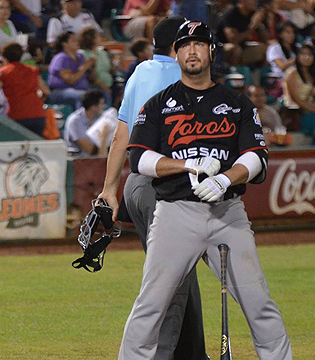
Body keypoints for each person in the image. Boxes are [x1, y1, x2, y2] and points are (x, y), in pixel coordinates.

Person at [119, 21, 293, 360]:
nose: (192, 51)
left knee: (259, 305)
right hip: (174, 213)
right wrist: (189, 166)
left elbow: (256, 156)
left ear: (211, 51)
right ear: (177, 53)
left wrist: (226, 179)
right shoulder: (158, 105)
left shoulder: (237, 104)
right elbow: (139, 158)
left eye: (199, 44)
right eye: (185, 45)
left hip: (227, 215)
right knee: (150, 306)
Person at [98, 17, 209, 360]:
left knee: (180, 273)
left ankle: (193, 353)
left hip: (135, 185)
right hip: (169, 189)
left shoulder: (140, 73)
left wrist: (109, 190)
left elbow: (120, 137)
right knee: (171, 282)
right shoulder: (190, 78)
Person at [0, 43, 50, 135]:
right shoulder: (33, 70)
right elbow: (46, 91)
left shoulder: (3, 72)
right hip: (38, 114)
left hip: (17, 115)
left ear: (4, 58)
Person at [47, 31, 95, 110]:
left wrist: (91, 67)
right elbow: (70, 80)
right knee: (84, 97)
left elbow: (90, 78)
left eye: (77, 40)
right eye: (73, 41)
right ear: (64, 43)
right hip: (60, 91)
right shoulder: (60, 58)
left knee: (100, 94)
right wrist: (85, 67)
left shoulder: (80, 57)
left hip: (82, 89)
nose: (77, 42)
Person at [216, 0, 269, 66]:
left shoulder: (252, 13)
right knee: (236, 50)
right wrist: (252, 27)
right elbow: (233, 40)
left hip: (243, 45)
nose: (255, 2)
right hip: (223, 46)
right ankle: (235, 72)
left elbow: (266, 39)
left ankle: (262, 74)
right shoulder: (231, 13)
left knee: (266, 48)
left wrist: (261, 21)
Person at [64, 89, 109, 157]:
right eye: (101, 103)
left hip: (96, 158)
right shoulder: (75, 120)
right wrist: (103, 139)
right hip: (78, 160)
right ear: (93, 107)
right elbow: (89, 150)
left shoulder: (101, 117)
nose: (104, 106)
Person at [77, 26, 113, 105]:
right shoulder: (82, 54)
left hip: (109, 84)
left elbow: (109, 69)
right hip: (93, 85)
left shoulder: (102, 52)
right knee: (104, 93)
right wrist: (103, 86)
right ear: (90, 38)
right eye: (98, 36)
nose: (100, 38)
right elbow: (89, 76)